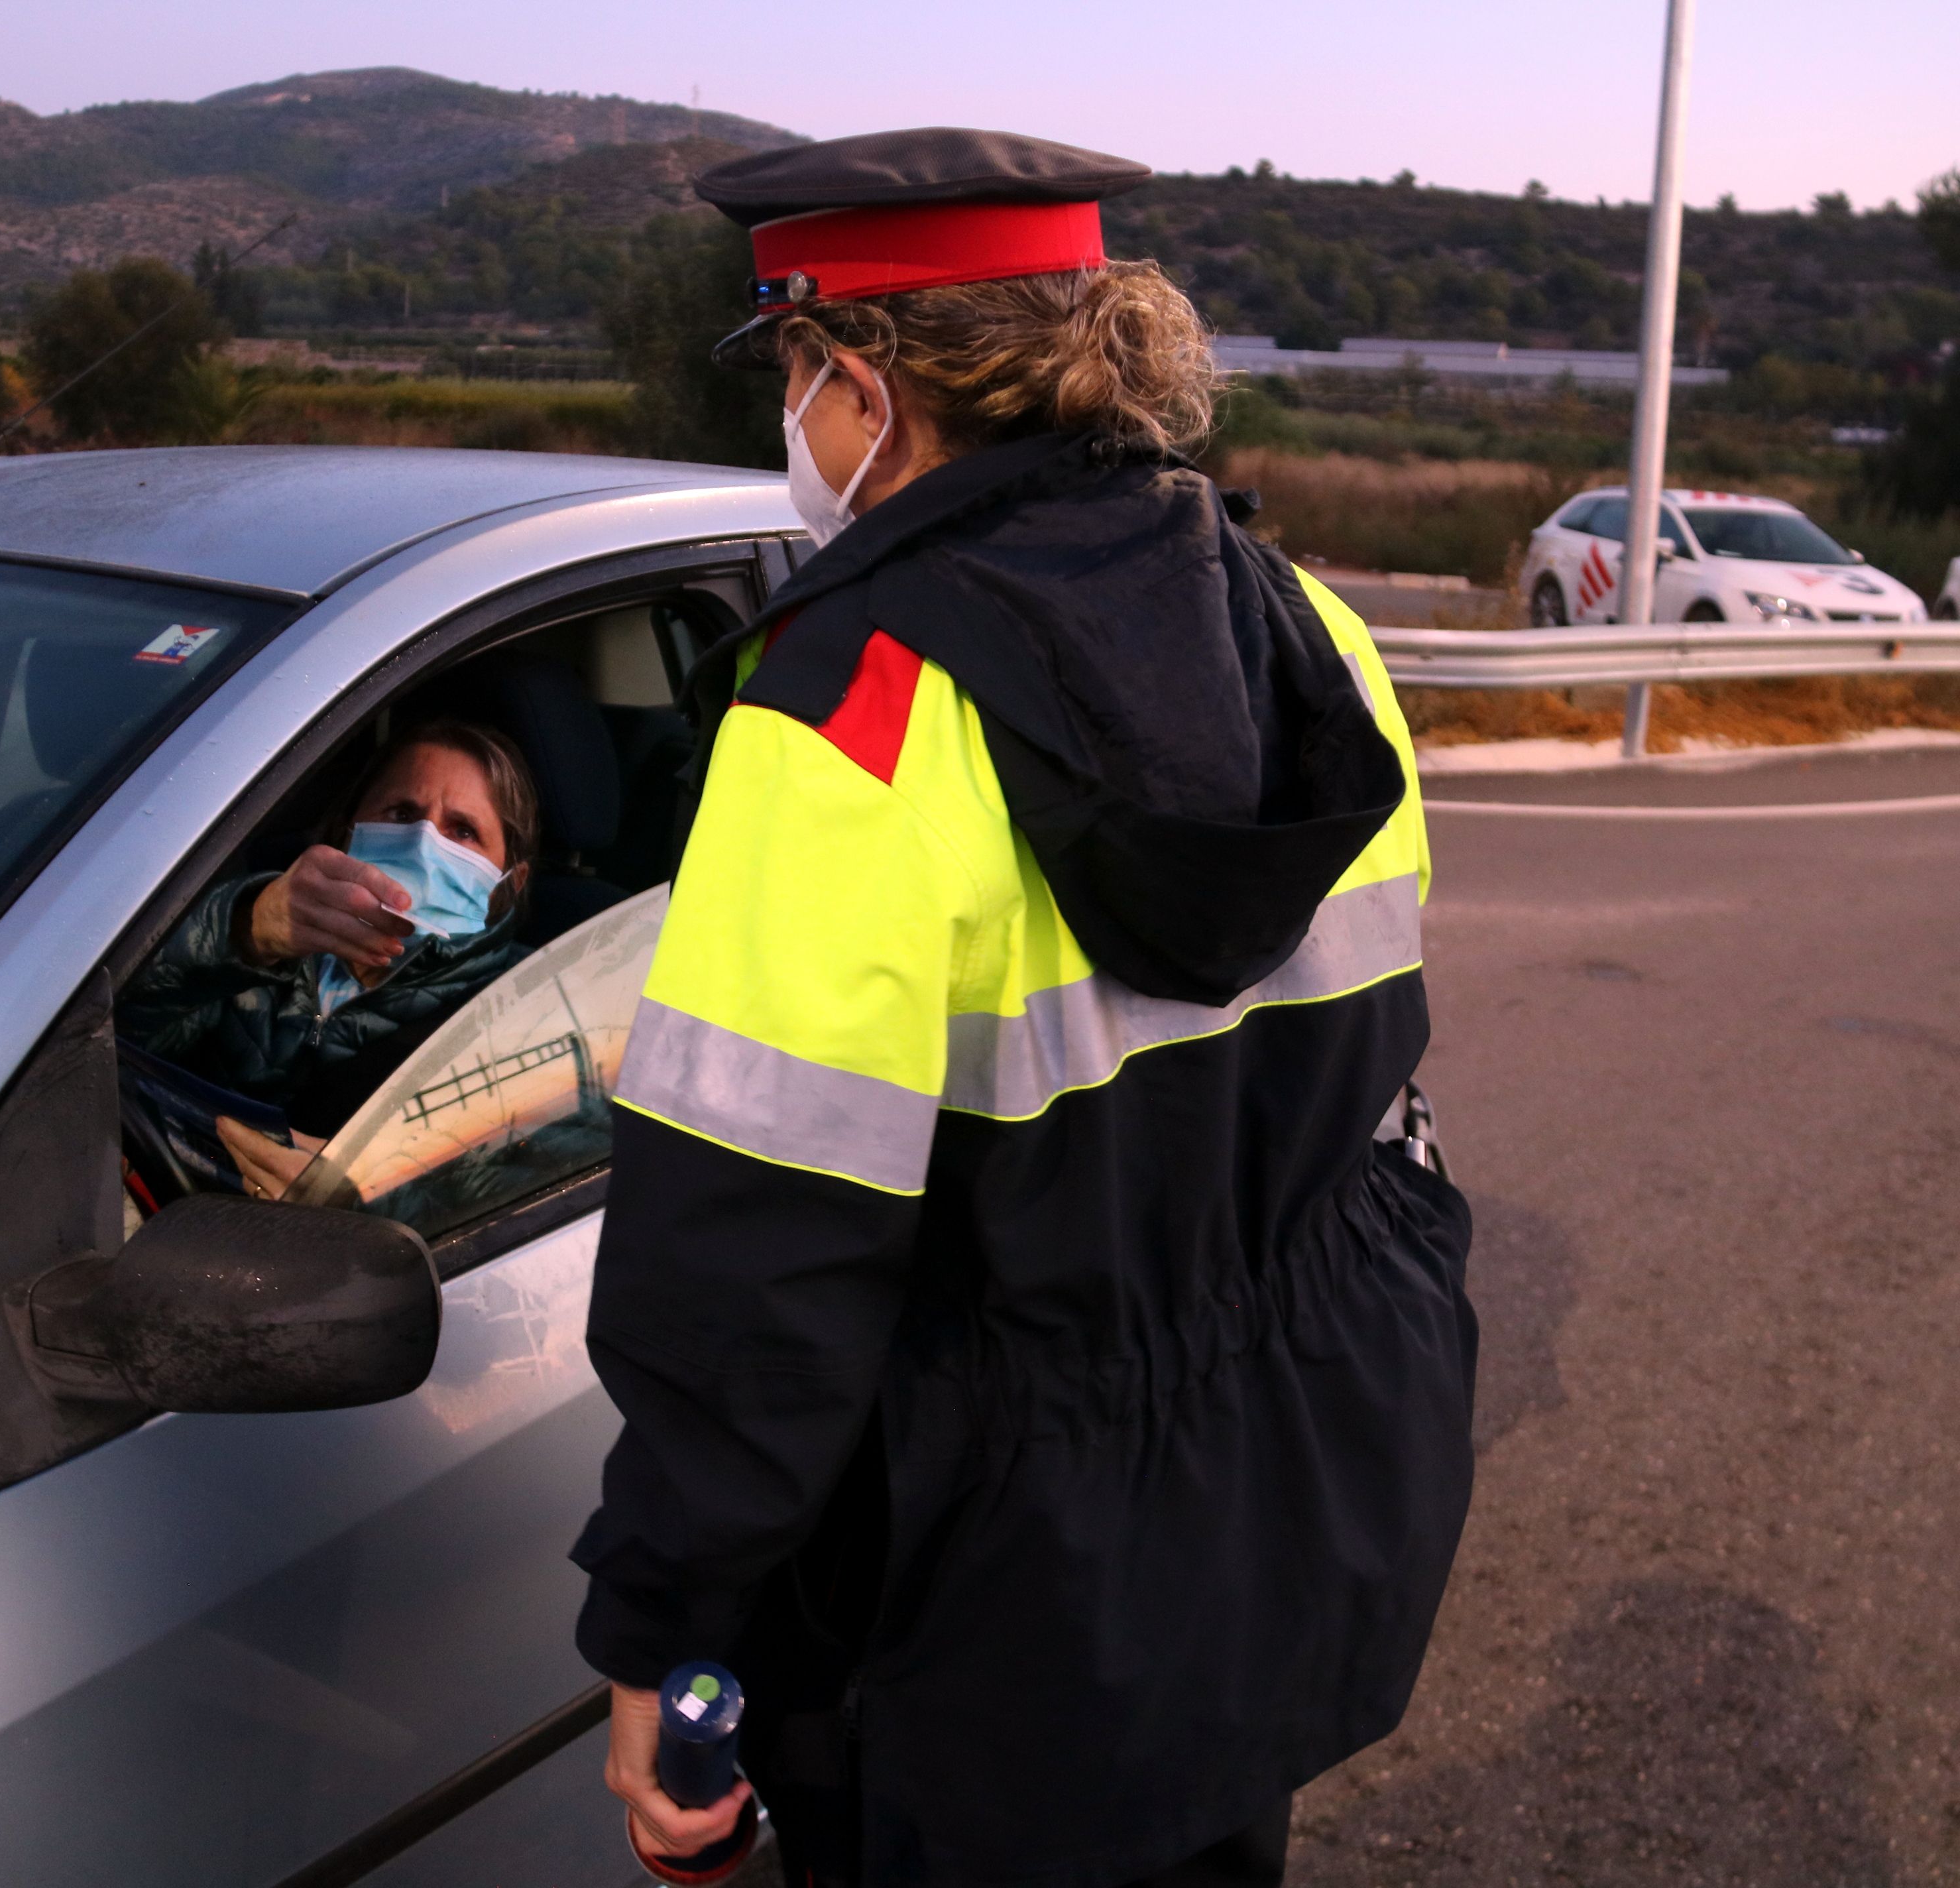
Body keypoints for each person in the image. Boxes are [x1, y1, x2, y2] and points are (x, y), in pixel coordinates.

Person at [569, 129, 1476, 1888]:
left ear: (866, 386)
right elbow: (1372, 1099)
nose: (797, 421)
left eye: (794, 374)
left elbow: (755, 1264)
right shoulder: (1312, 637)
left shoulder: (854, 716)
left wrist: (661, 1646)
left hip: (980, 1625)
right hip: (1268, 1536)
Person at [117, 719, 537, 1199]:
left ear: (511, 880)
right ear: (350, 828)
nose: (424, 843)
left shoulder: (529, 1007)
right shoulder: (264, 950)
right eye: (402, 814)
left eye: (462, 831)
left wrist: (367, 1194)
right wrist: (242, 932)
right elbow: (102, 1032)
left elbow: (536, 1184)